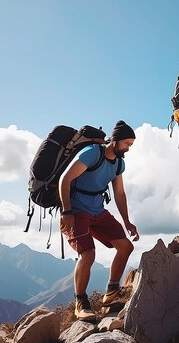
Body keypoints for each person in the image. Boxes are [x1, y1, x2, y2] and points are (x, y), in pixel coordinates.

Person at [59, 120, 139, 322]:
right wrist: (66, 211)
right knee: (88, 254)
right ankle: (80, 302)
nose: (128, 148)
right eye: (126, 144)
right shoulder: (92, 153)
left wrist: (127, 222)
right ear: (114, 141)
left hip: (97, 211)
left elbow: (119, 194)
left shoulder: (119, 163)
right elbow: (65, 180)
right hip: (76, 211)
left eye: (130, 144)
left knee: (125, 247)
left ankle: (110, 293)